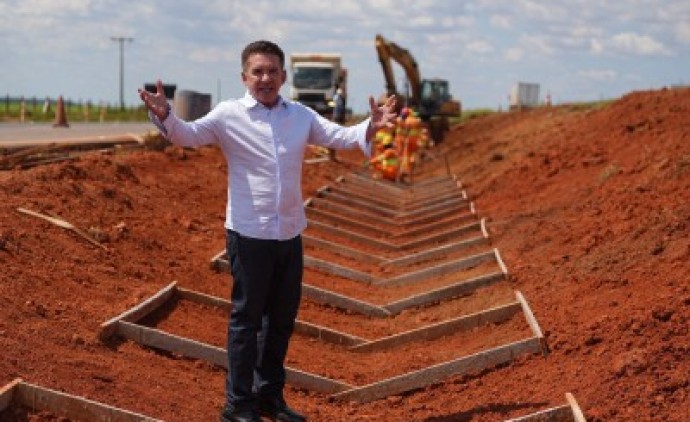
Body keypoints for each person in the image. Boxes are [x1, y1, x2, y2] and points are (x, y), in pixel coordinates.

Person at [138, 40, 397, 422]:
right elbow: (187, 135)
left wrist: (370, 126)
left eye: (272, 71)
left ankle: (268, 398)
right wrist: (166, 116)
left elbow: (339, 137)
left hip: (289, 234)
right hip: (249, 235)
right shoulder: (228, 115)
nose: (265, 78)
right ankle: (238, 404)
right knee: (247, 322)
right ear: (244, 77)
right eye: (257, 72)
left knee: (281, 321)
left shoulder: (301, 116)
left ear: (283, 76)